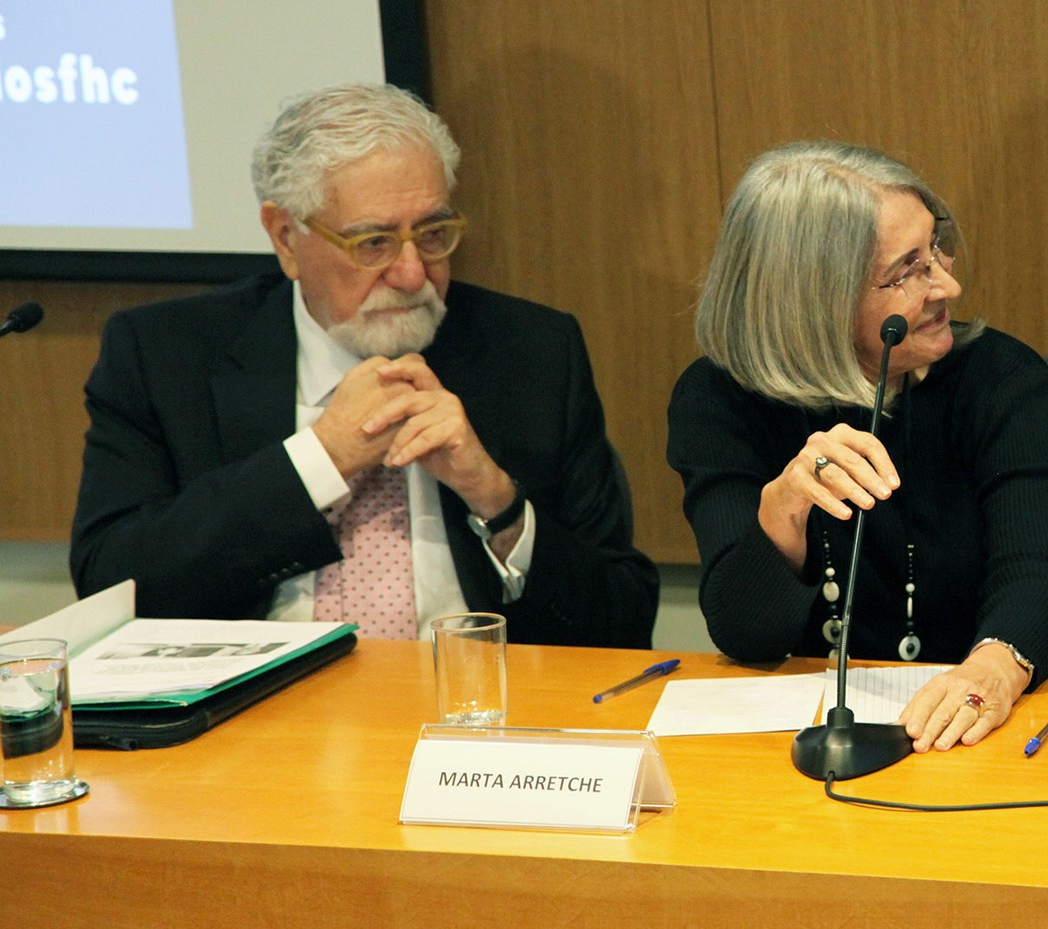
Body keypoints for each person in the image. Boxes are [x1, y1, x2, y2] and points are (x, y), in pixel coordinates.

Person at [71, 83, 658, 647]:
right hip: (263, 708)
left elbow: (622, 625)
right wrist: (319, 460)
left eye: (433, 234)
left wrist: (496, 499)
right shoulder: (165, 355)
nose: (412, 273)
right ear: (285, 237)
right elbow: (112, 586)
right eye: (373, 242)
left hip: (471, 702)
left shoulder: (531, 351)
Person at [667, 141, 1048, 751]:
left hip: (979, 730)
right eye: (906, 271)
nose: (947, 284)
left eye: (935, 249)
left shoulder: (1001, 380)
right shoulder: (718, 399)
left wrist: (992, 671)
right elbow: (747, 638)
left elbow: (1037, 573)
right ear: (813, 296)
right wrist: (782, 515)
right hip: (799, 741)